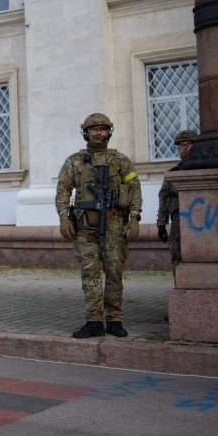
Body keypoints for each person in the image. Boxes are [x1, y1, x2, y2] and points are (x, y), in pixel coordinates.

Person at [55, 113, 142, 339]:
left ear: (109, 132)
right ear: (86, 132)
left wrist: (134, 218)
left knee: (114, 272)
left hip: (114, 225)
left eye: (103, 129)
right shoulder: (74, 161)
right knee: (90, 273)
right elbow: (63, 191)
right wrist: (64, 217)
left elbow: (134, 190)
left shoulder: (120, 161)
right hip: (85, 227)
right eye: (94, 129)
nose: (98, 133)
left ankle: (114, 320)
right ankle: (94, 321)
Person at [157, 130, 196, 269]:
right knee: (177, 255)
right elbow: (163, 197)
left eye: (189, 144)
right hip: (178, 219)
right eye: (181, 145)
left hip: (201, 219)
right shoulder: (173, 173)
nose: (185, 148)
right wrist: (161, 224)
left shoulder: (204, 169)